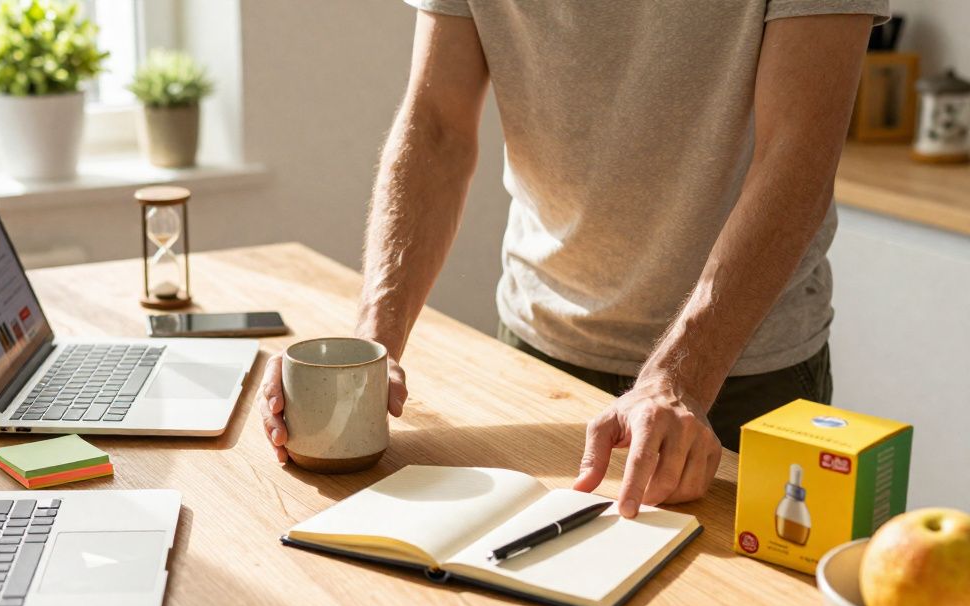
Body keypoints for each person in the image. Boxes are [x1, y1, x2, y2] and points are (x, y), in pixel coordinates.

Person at [259, 0, 887, 518]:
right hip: (540, 351)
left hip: (742, 370)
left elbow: (798, 153)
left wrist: (678, 378)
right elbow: (438, 128)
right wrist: (373, 349)